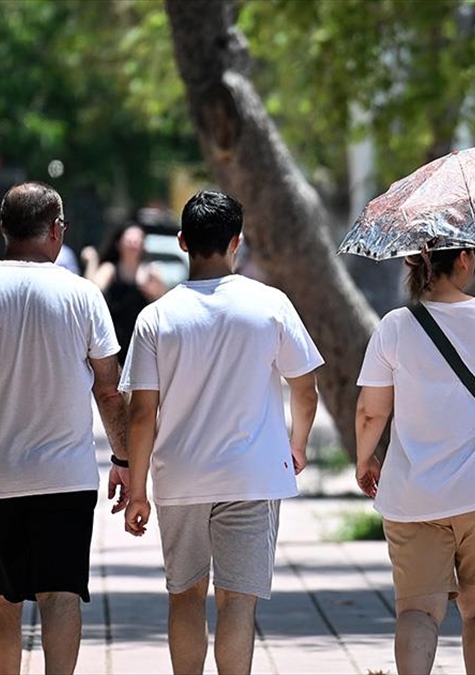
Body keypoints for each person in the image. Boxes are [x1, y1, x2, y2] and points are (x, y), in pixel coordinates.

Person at [0, 182, 130, 675]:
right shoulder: (83, 295)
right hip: (66, 478)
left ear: (3, 230)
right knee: (60, 596)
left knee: (0, 596)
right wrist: (124, 461)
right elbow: (109, 389)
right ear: (57, 231)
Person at [120, 190, 323, 674]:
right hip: (252, 476)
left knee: (185, 594)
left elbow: (142, 412)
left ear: (183, 241)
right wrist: (297, 444)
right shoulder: (270, 305)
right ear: (237, 241)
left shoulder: (156, 317)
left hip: (181, 477)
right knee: (238, 601)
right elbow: (305, 387)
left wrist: (137, 488)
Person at [354, 247, 475, 675]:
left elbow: (372, 410)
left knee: (417, 612)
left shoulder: (395, 326)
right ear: (463, 259)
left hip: (414, 495)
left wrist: (365, 459)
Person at [81, 223, 167, 364]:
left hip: (142, 344)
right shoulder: (110, 269)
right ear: (118, 244)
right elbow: (91, 292)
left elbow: (166, 307)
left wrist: (153, 294)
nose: (133, 244)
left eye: (137, 240)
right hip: (113, 344)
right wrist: (92, 261)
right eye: (129, 240)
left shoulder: (151, 272)